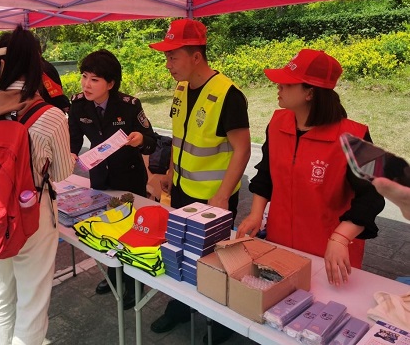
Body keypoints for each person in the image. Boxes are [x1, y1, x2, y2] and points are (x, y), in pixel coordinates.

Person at [236, 49, 385, 287]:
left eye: (287, 84)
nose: (278, 87)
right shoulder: (277, 124)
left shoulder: (354, 137)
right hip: (279, 245)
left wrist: (340, 238)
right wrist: (256, 214)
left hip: (330, 254)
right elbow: (266, 174)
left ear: (310, 93)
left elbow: (373, 195)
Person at [0, 25, 75, 345]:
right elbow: (61, 173)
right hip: (33, 214)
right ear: (37, 64)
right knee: (32, 301)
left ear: (1, 65)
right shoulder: (51, 115)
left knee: (1, 294)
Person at [148, 18, 251, 344]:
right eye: (166, 57)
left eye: (173, 57)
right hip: (182, 190)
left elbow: (243, 149)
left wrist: (223, 195)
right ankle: (180, 306)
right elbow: (180, 136)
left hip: (214, 197)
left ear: (196, 57)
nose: (168, 64)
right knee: (181, 250)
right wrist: (170, 172)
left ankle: (220, 320)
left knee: (216, 260)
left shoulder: (228, 95)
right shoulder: (181, 88)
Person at [67, 49, 158, 309]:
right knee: (107, 228)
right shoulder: (78, 105)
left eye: (94, 79)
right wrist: (70, 152)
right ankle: (114, 275)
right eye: (84, 76)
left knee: (130, 231)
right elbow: (74, 138)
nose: (86, 84)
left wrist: (140, 141)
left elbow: (151, 140)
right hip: (100, 178)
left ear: (110, 83)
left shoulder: (129, 105)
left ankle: (134, 283)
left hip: (129, 179)